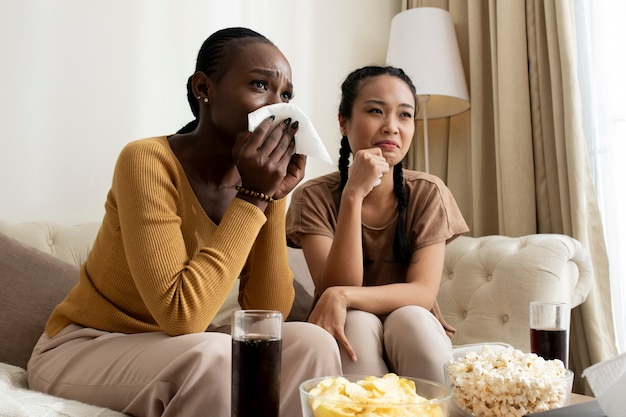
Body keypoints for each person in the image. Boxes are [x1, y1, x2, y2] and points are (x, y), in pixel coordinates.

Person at [26, 27, 342, 417]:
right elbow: (182, 316)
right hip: (87, 347)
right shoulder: (146, 159)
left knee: (313, 342)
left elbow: (267, 312)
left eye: (287, 96)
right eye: (260, 85)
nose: (279, 110)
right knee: (211, 355)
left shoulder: (256, 185)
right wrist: (254, 197)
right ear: (203, 88)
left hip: (176, 348)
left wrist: (273, 198)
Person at [286, 65, 469, 384]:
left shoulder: (428, 192)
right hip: (345, 327)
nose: (392, 127)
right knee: (355, 322)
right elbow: (338, 284)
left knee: (409, 317)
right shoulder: (312, 197)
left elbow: (422, 294)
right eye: (375, 111)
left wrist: (342, 296)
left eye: (404, 115)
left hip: (414, 329)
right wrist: (353, 195)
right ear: (344, 122)